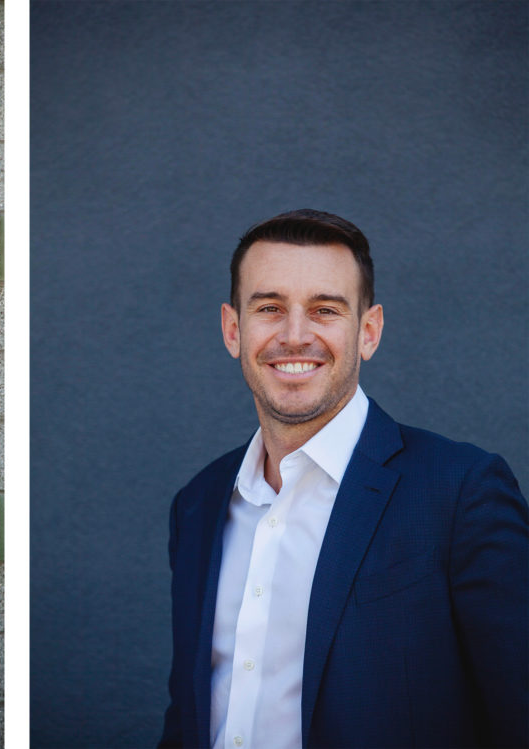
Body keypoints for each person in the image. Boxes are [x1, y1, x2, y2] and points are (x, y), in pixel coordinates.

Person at [159, 210, 527, 749]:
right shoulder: (198, 505)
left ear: (369, 331)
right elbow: (190, 714)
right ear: (233, 329)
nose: (294, 335)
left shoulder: (461, 491)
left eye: (325, 310)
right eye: (269, 308)